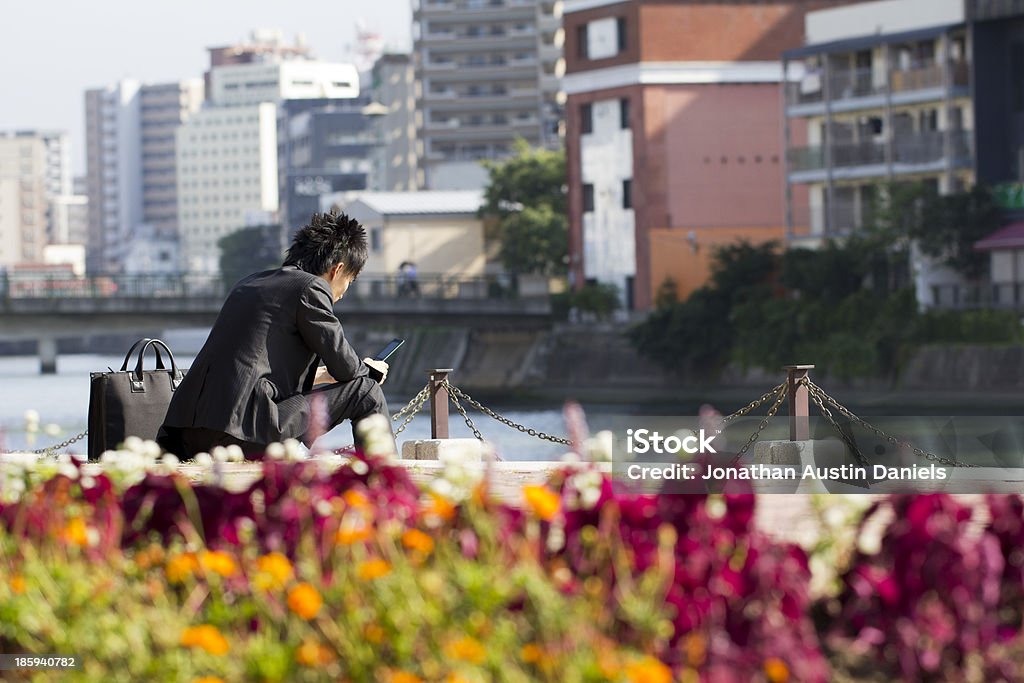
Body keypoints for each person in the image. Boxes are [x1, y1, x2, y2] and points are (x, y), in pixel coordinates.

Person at [157, 211, 392, 459]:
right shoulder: (311, 288)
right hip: (243, 434)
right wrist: (370, 370)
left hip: (187, 436)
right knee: (366, 390)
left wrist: (323, 375)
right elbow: (348, 370)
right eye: (350, 281)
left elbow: (253, 369)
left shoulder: (248, 283)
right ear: (338, 270)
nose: (344, 292)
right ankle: (387, 479)